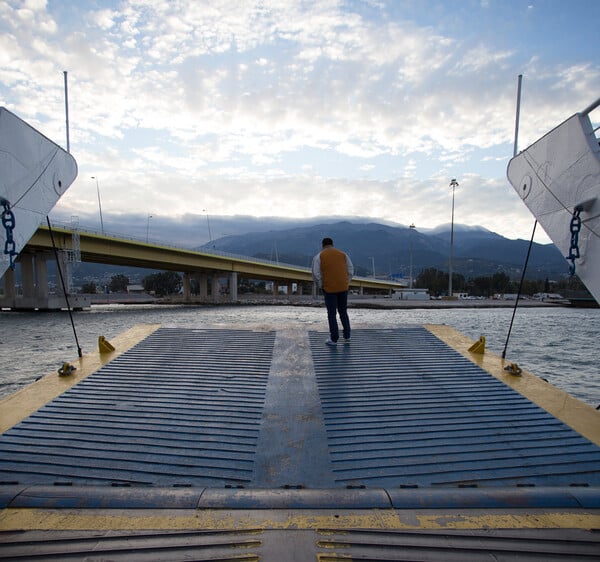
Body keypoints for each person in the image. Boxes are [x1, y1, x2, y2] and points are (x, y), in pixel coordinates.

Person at [312, 237, 354, 346]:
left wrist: (321, 285)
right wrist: (346, 282)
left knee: (332, 314)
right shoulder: (343, 254)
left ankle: (334, 339)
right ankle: (347, 335)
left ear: (323, 245)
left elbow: (316, 273)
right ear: (332, 244)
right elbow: (350, 270)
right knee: (343, 311)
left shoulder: (319, 256)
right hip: (343, 287)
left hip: (329, 288)